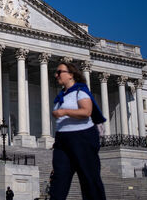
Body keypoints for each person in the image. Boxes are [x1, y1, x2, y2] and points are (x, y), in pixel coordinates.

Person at [50, 61, 107, 200]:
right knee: (59, 179)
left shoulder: (80, 91)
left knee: (89, 179)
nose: (56, 75)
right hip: (62, 140)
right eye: (56, 72)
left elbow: (86, 112)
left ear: (71, 75)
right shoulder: (61, 96)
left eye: (59, 72)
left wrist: (64, 112)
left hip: (82, 137)